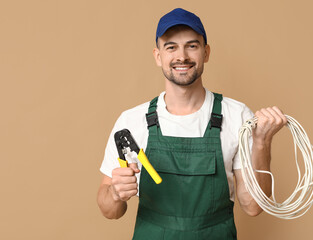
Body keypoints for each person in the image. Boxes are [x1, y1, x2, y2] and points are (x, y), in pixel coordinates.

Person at [97, 8, 287, 240]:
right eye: (171, 47)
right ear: (158, 56)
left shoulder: (237, 116)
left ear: (206, 53)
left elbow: (253, 207)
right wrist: (115, 193)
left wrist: (262, 143)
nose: (182, 56)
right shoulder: (131, 121)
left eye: (192, 45)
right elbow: (110, 211)